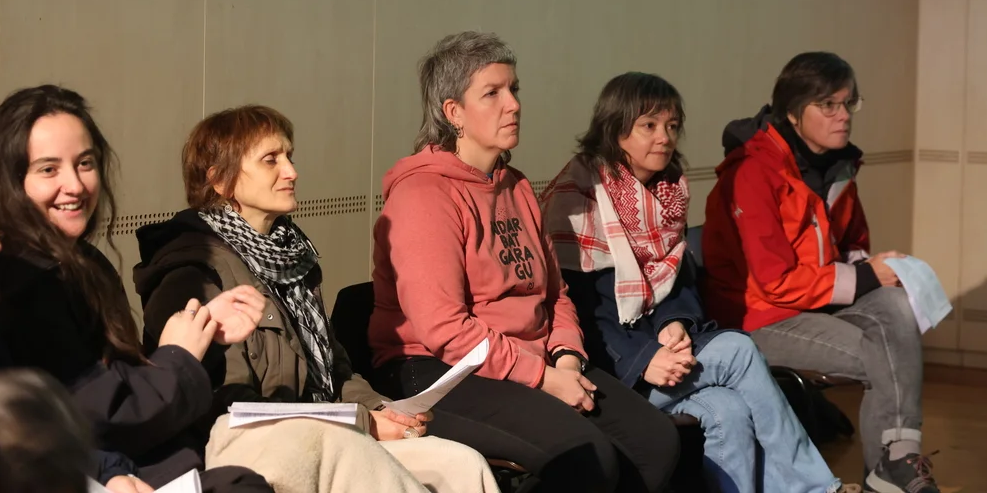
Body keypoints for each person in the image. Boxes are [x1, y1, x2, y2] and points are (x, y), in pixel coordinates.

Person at [369, 32, 680, 493]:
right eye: (492, 93)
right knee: (587, 458)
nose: (513, 104)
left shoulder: (515, 185)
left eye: (513, 89)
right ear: (454, 112)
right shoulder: (423, 195)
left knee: (656, 443)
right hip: (439, 370)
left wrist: (567, 358)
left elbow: (554, 294)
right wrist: (543, 378)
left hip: (533, 359)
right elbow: (445, 330)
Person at [133, 105, 498, 493]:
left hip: (329, 436)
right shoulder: (193, 273)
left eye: (289, 157)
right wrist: (362, 423)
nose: (291, 171)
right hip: (262, 453)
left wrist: (379, 408)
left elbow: (335, 371)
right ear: (220, 180)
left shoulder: (293, 257)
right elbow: (230, 408)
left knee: (462, 464)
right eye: (271, 160)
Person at [540, 71, 857, 493]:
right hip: (611, 368)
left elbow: (679, 283)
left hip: (662, 355)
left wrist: (676, 323)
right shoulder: (578, 199)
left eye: (672, 126)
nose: (665, 137)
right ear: (615, 130)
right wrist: (646, 358)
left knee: (726, 411)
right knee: (738, 350)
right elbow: (579, 312)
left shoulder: (667, 193)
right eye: (649, 125)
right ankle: (816, 487)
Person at [0, 85, 271, 493]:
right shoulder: (19, 284)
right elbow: (99, 414)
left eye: (85, 163)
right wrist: (178, 356)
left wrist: (204, 334)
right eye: (48, 169)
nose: (75, 185)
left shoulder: (87, 264)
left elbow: (122, 387)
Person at [701, 52, 939, 493]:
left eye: (848, 103)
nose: (843, 115)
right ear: (793, 113)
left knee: (895, 301)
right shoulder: (752, 173)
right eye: (828, 105)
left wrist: (875, 267)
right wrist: (866, 276)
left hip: (815, 303)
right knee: (886, 355)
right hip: (757, 317)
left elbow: (849, 246)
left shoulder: (839, 166)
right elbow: (773, 282)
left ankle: (896, 460)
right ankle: (889, 472)